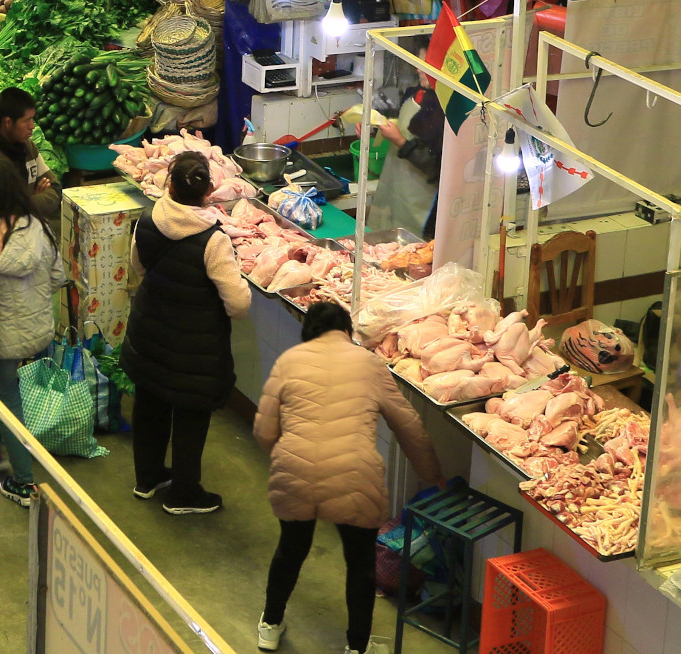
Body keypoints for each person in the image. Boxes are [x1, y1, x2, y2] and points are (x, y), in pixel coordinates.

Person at [253, 302, 444, 654]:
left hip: (295, 472)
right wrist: (433, 478)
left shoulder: (289, 360)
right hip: (354, 477)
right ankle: (357, 647)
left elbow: (264, 431)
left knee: (290, 550)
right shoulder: (370, 364)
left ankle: (269, 624)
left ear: (308, 330)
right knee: (359, 565)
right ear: (346, 330)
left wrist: (290, 457)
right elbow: (409, 427)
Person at [121, 150, 250, 515]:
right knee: (191, 414)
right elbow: (238, 304)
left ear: (169, 184)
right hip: (195, 346)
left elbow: (138, 266)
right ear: (208, 190)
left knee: (150, 404)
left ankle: (147, 479)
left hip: (150, 331)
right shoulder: (214, 241)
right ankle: (183, 494)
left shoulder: (148, 219)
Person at [0, 159, 64, 508]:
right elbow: (55, 278)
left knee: (7, 402)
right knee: (12, 393)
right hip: (39, 328)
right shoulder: (38, 225)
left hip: (4, 341)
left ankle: (23, 482)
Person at [0, 87, 61, 225]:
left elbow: (55, 189)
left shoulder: (28, 147)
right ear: (8, 123)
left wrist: (23, 204)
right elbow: (0, 215)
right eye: (27, 120)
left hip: (26, 236)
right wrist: (33, 199)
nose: (32, 126)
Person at [376, 87, 444, 239]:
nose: (419, 69)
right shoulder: (416, 92)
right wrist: (374, 122)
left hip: (421, 206)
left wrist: (401, 142)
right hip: (397, 191)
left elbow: (437, 166)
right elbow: (400, 122)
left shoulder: (445, 111)